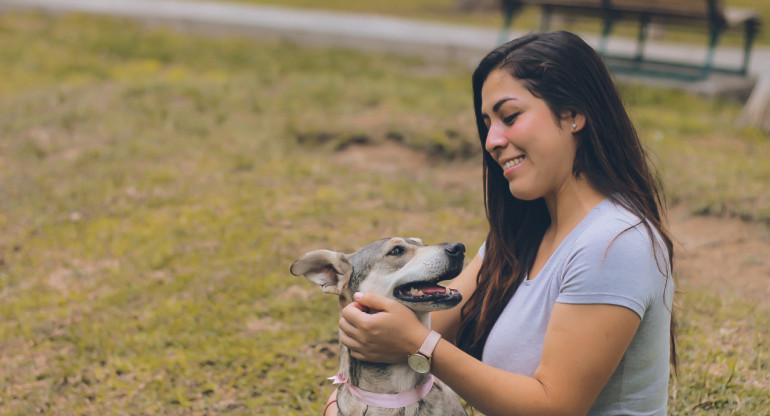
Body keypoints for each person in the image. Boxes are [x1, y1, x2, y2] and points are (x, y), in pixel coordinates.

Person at [325, 30, 676, 416]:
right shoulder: (524, 233)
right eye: (487, 123)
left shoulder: (615, 242)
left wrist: (417, 344)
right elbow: (440, 318)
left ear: (573, 113)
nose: (492, 140)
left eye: (509, 117)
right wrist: (355, 383)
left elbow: (554, 407)